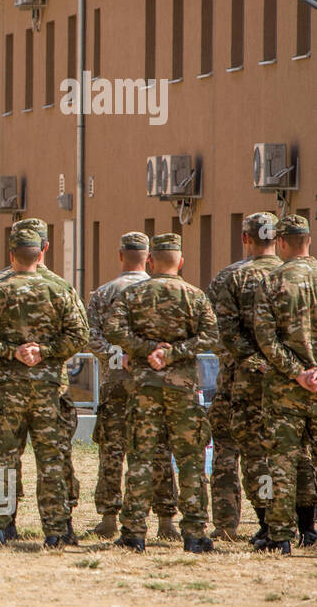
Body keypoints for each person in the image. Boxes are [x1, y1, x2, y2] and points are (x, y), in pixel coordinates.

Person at [0, 223, 87, 547]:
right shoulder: (60, 288)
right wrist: (44, 351)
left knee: (4, 458)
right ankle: (57, 530)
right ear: (44, 250)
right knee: (52, 460)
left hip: (8, 391)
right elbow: (79, 335)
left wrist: (11, 352)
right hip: (49, 391)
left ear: (10, 253)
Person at [104, 233, 219, 553]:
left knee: (141, 458)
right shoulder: (194, 296)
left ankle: (134, 533)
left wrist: (146, 350)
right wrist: (174, 353)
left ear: (151, 262)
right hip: (182, 389)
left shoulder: (133, 295)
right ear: (180, 262)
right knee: (191, 459)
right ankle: (195, 533)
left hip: (145, 387)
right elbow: (212, 336)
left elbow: (113, 329)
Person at [85, 232, 178, 539]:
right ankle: (167, 521)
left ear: (120, 255)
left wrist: (117, 356)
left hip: (116, 383)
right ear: (148, 258)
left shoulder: (102, 293)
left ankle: (109, 517)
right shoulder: (163, 291)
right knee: (159, 448)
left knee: (112, 450)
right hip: (155, 382)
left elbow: (91, 336)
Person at [208, 212, 283, 543]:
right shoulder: (295, 275)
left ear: (245, 238)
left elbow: (216, 332)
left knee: (229, 451)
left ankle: (227, 523)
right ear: (277, 239)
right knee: (286, 452)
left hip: (237, 381)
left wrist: (249, 359)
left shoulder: (228, 278)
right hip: (290, 380)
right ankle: (293, 522)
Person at [250, 215, 317, 553]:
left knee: (282, 463)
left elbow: (264, 337)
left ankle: (280, 536)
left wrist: (296, 372)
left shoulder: (272, 281)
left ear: (283, 242)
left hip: (284, 390)